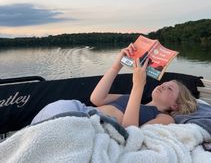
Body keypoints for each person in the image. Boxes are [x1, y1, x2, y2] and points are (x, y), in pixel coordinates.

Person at [31, 43, 197, 127]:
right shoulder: (130, 98)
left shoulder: (164, 118)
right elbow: (96, 98)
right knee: (58, 109)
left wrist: (138, 86)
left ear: (175, 105)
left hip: (96, 125)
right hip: (81, 111)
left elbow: (130, 130)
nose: (163, 85)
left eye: (170, 88)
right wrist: (117, 65)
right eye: (164, 83)